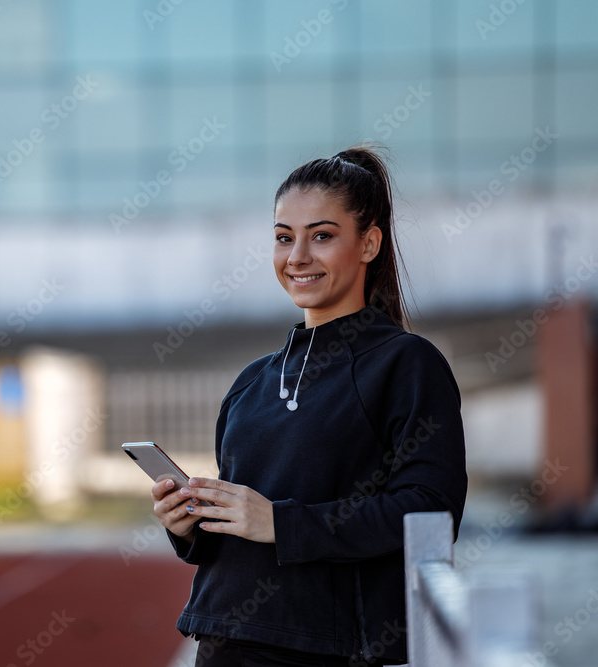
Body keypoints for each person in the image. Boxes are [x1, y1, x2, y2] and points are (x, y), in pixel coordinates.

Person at [151, 145, 468, 667]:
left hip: (328, 651)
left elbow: (427, 512)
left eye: (321, 235)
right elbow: (243, 531)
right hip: (223, 641)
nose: (297, 256)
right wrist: (189, 525)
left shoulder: (407, 364)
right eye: (283, 237)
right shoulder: (252, 382)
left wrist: (282, 522)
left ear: (368, 244)